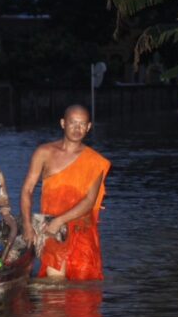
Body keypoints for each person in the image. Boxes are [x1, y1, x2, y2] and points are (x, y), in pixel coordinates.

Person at [20, 104, 110, 281]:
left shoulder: (95, 161)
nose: (77, 129)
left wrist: (60, 221)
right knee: (55, 286)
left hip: (82, 229)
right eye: (73, 123)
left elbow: (89, 201)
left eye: (82, 124)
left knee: (82, 287)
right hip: (51, 228)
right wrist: (27, 225)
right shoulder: (44, 153)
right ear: (63, 123)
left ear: (88, 127)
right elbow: (27, 190)